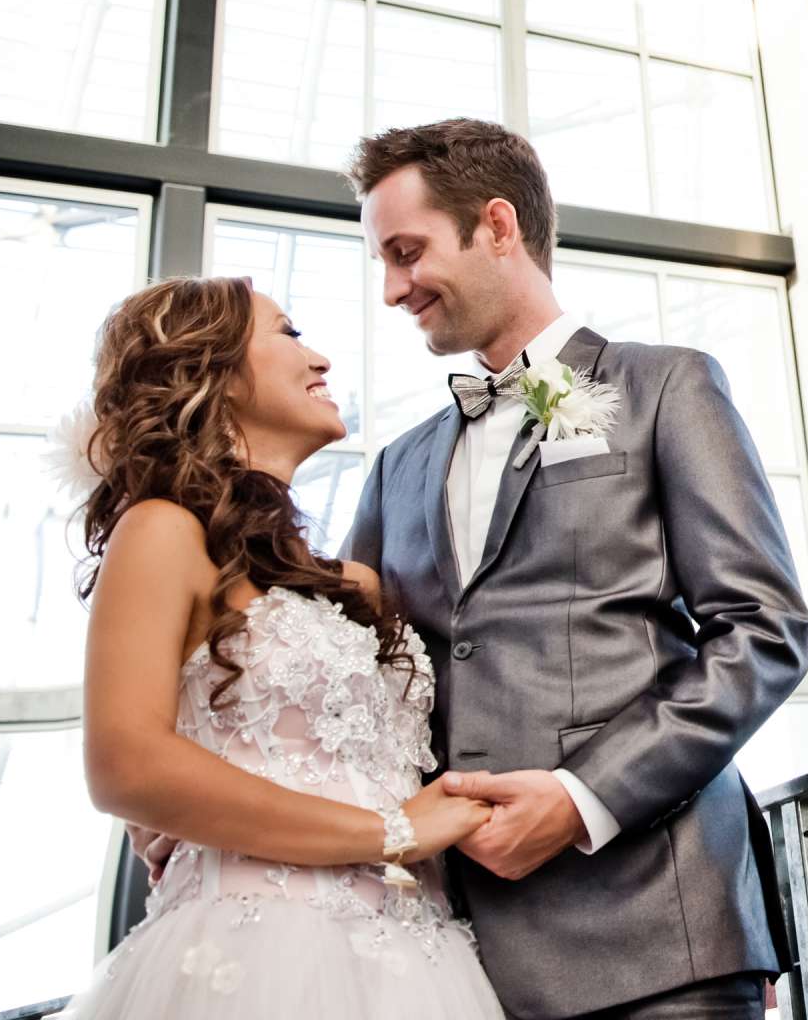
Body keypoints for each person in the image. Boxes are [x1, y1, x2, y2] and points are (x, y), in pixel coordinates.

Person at [346, 118, 808, 1020]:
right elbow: (354, 683)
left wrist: (581, 795)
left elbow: (763, 629)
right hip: (460, 959)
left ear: (497, 225)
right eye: (383, 264)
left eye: (407, 253)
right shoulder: (394, 469)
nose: (395, 289)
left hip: (660, 931)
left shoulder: (666, 387)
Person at [59, 276, 506, 1018]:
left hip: (421, 959)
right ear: (209, 369)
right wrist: (393, 830)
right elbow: (125, 766)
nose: (321, 356)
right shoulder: (162, 530)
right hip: (255, 954)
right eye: (289, 333)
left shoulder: (357, 585)